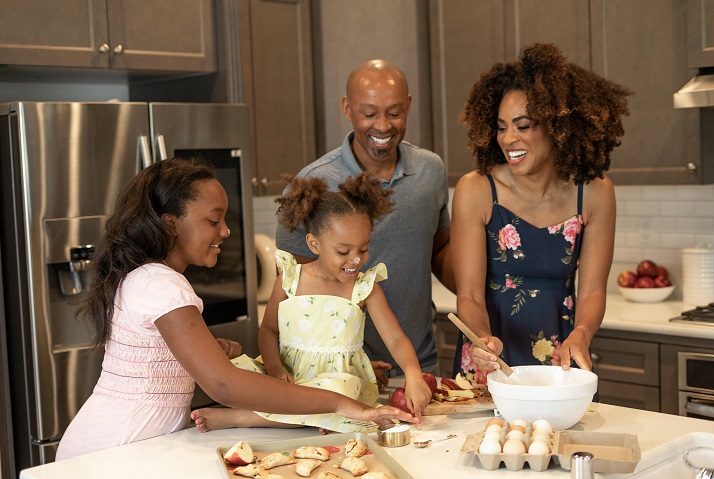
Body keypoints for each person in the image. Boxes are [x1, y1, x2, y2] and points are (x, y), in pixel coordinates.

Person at [56, 158, 417, 460]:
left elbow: (159, 358)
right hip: (108, 451)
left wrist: (210, 349)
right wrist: (340, 405)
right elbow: (224, 384)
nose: (226, 231)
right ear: (170, 225)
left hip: (132, 444)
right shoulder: (161, 284)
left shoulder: (151, 278)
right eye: (214, 221)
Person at [191, 173, 432, 433]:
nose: (356, 260)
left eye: (364, 249)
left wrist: (413, 374)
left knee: (339, 391)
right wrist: (273, 369)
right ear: (313, 243)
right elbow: (268, 331)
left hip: (335, 385)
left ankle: (241, 418)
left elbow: (395, 339)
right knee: (236, 372)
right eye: (343, 251)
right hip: (289, 377)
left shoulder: (365, 288)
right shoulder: (290, 279)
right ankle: (321, 417)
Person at [452, 42, 632, 378]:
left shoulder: (594, 193)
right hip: (491, 358)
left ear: (558, 126)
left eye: (523, 126)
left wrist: (582, 333)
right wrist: (480, 340)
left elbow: (592, 291)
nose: (509, 139)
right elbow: (471, 294)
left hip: (560, 356)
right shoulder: (476, 191)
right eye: (502, 127)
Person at [275, 59, 454, 385]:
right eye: (369, 113)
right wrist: (348, 357)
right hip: (340, 373)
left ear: (409, 105)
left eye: (395, 113)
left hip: (420, 364)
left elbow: (441, 251)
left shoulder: (431, 171)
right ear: (347, 108)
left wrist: (483, 295)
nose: (383, 126)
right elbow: (297, 294)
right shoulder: (312, 183)